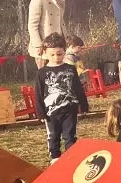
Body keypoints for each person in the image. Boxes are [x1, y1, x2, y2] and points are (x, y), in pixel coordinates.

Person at [35, 33, 89, 163]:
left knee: (70, 136)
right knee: (53, 136)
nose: (56, 57)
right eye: (52, 54)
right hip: (51, 113)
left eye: (59, 54)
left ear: (64, 51)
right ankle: (55, 159)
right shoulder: (42, 73)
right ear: (45, 53)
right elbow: (38, 93)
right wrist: (41, 112)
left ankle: (71, 159)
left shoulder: (70, 69)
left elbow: (78, 88)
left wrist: (84, 105)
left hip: (70, 110)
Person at [28, 0, 65, 69]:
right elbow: (32, 25)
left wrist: (66, 40)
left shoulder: (60, 1)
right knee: (44, 74)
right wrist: (38, 45)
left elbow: (61, 24)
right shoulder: (38, 0)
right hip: (44, 46)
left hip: (58, 45)